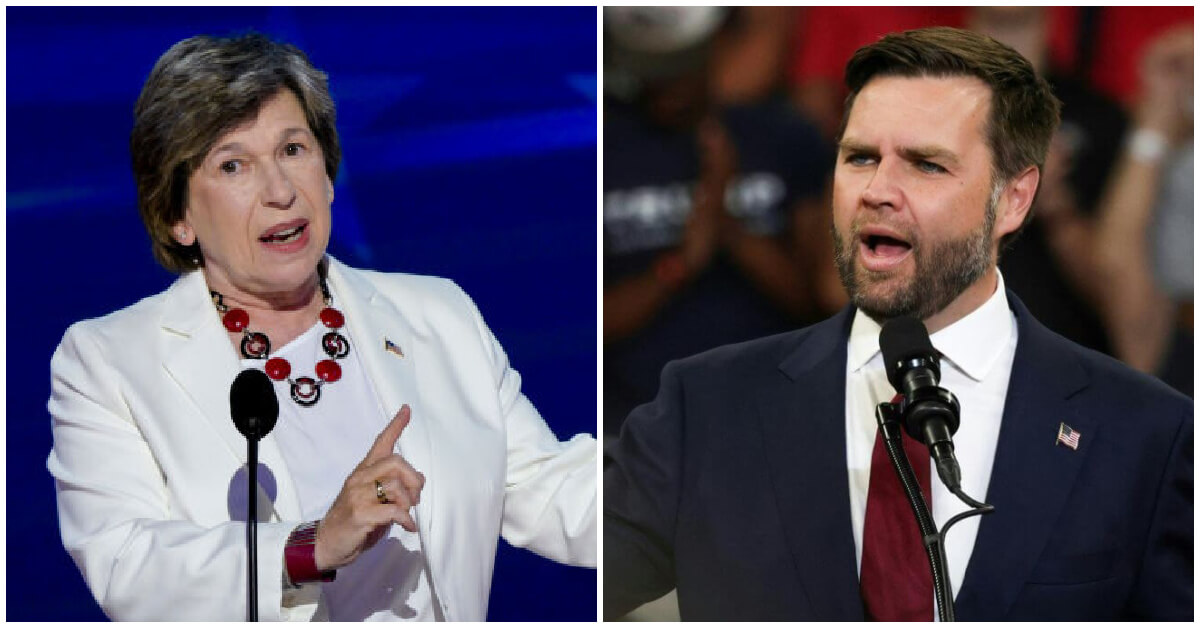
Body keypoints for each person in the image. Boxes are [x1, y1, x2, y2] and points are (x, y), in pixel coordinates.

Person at [605, 27, 1192, 621]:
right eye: (859, 157)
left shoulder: (1145, 435)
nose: (877, 191)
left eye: (926, 165)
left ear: (1013, 199)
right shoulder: (703, 409)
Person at [46, 33, 596, 621]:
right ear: (178, 214)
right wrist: (312, 545)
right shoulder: (107, 361)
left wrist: (681, 467)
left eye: (293, 150)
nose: (281, 191)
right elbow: (129, 567)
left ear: (328, 172)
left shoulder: (437, 313)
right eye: (234, 165)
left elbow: (544, 487)